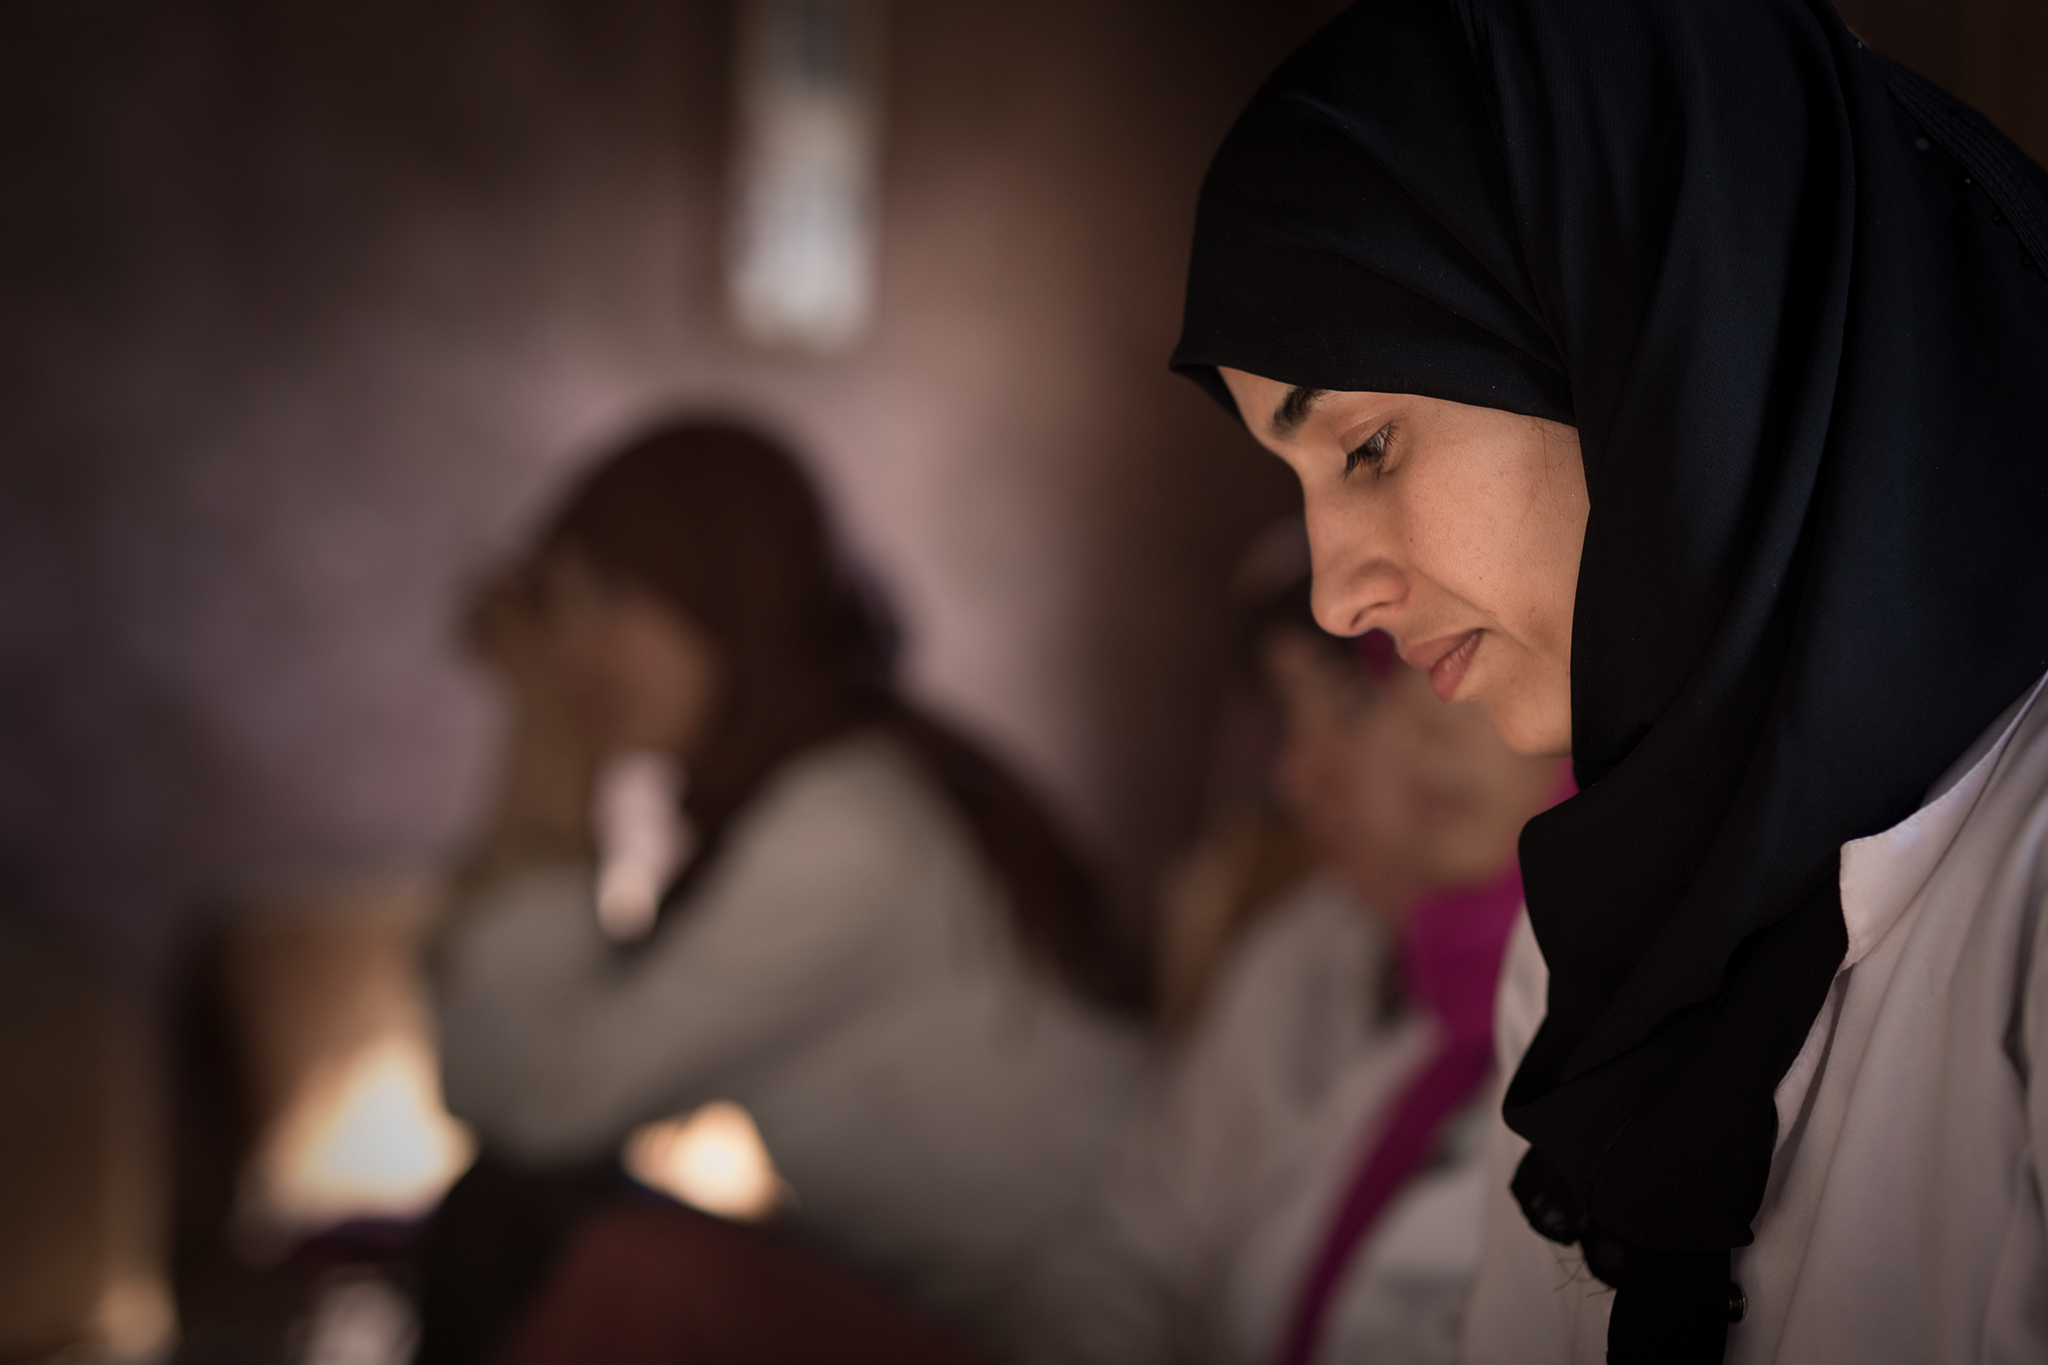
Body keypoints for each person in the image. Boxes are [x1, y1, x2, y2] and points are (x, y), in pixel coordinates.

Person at [1168, 1, 2048, 1362]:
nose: (1339, 589)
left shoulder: (2023, 888)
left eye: (1371, 446)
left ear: (1653, 346)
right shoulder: (1591, 931)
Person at [420, 419, 1152, 1364]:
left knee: (573, 1239)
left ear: (731, 583)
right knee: (509, 1212)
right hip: (933, 1292)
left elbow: (544, 1099)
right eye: (554, 607)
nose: (573, 651)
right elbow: (506, 1090)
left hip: (1070, 1328)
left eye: (609, 594)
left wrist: (543, 741)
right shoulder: (782, 798)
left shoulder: (841, 823)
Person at [1027, 548, 1564, 1365]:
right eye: (1288, 718)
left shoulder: (1588, 996)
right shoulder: (1318, 948)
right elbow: (1139, 1249)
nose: (1296, 774)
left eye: (1351, 700)